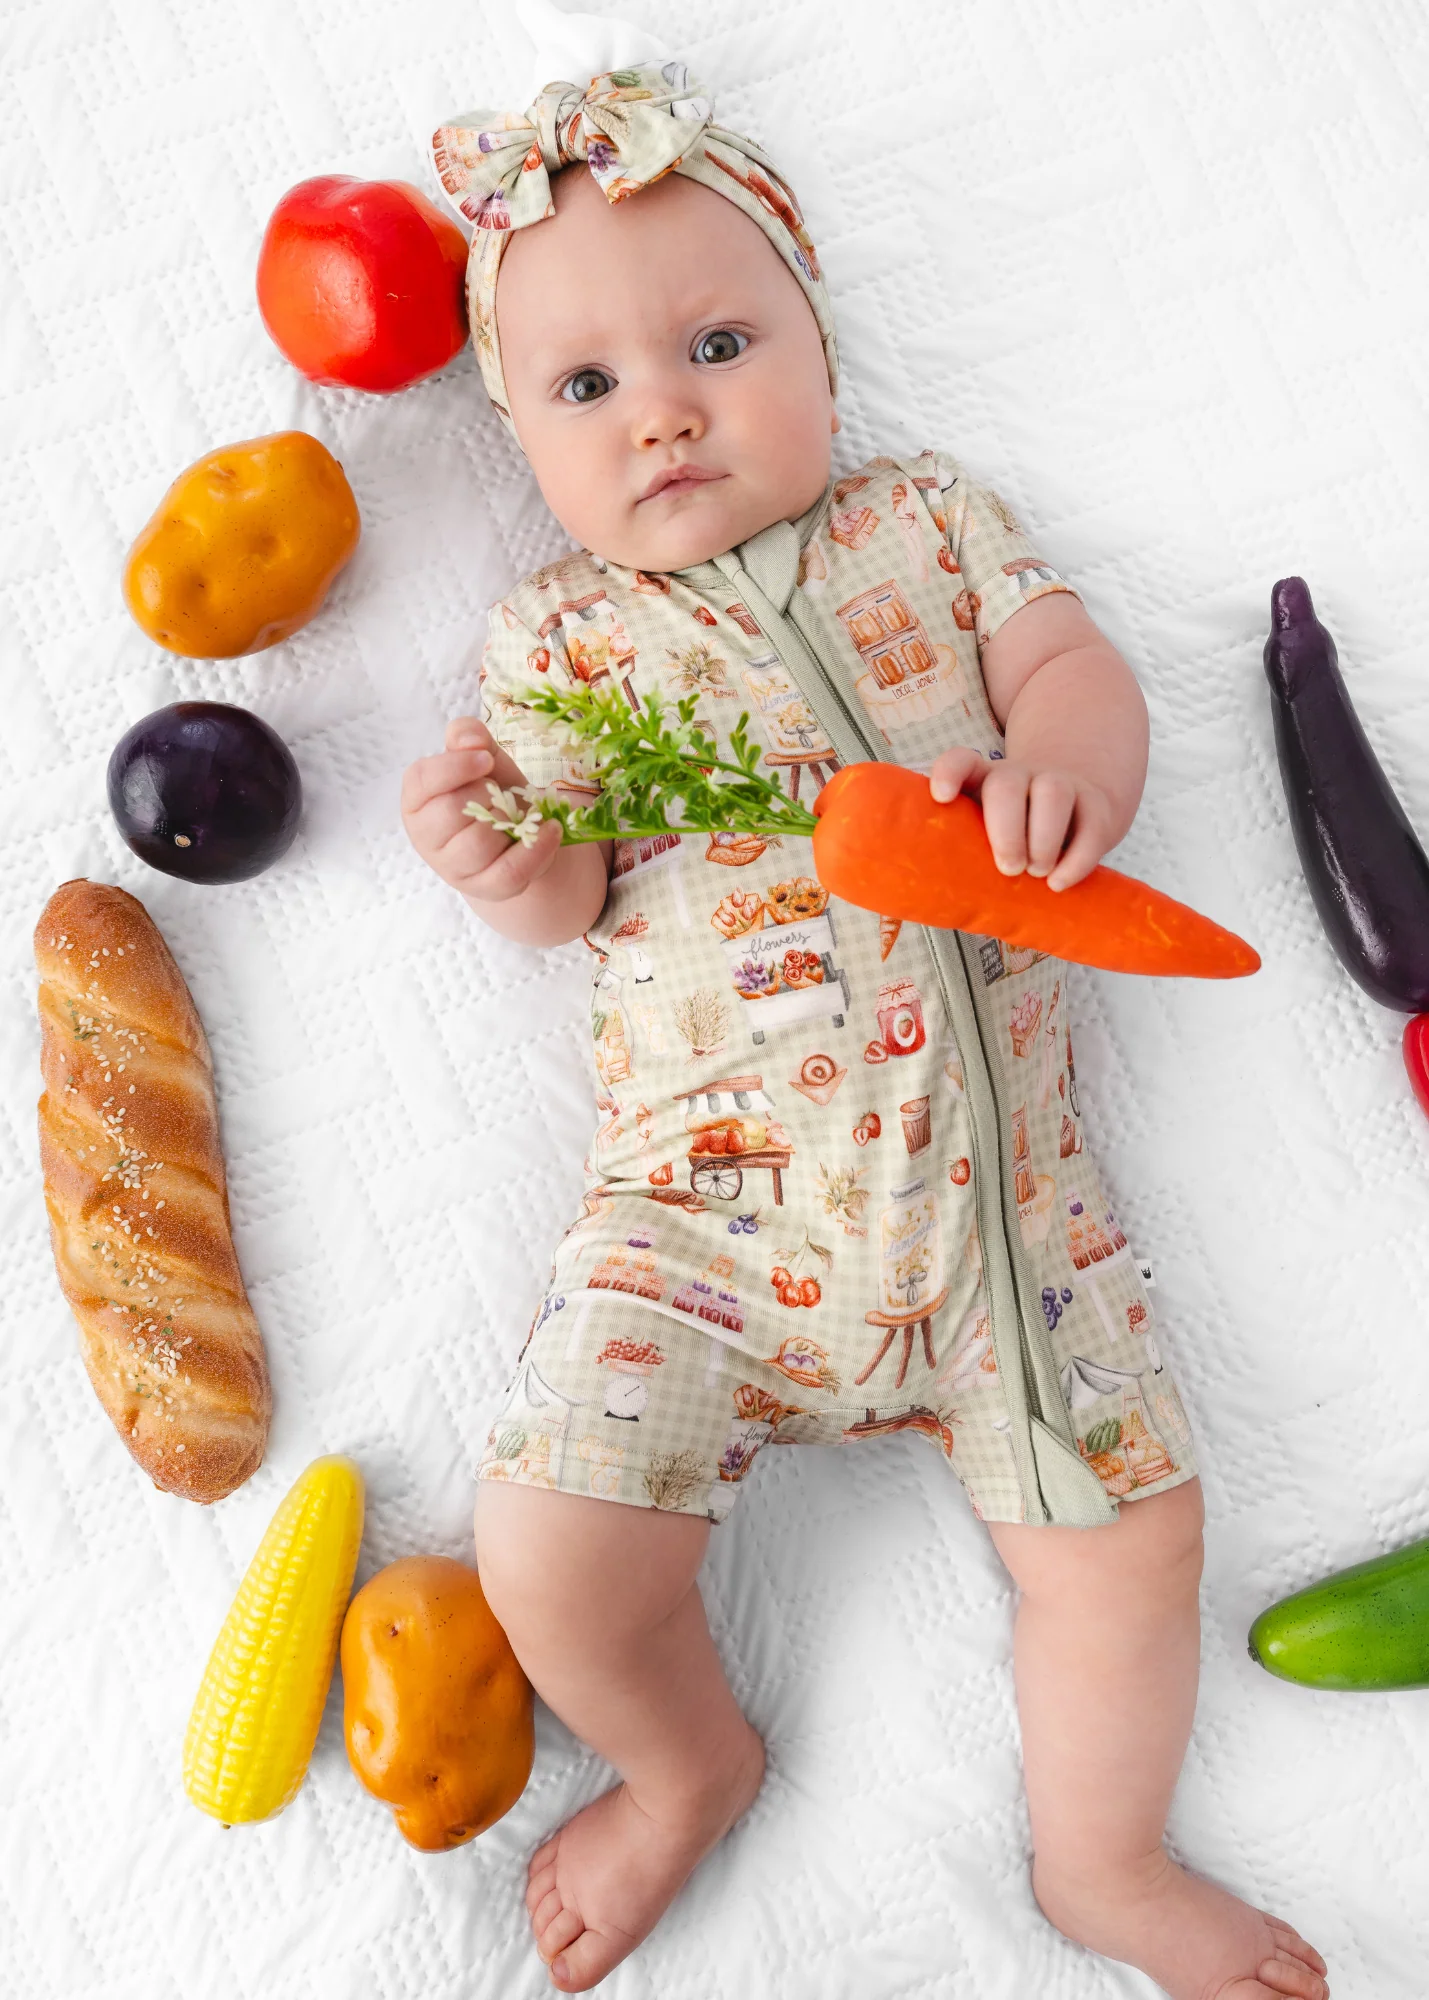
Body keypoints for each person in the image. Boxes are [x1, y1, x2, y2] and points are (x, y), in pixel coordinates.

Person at [400, 61, 1329, 2000]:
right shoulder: (562, 648)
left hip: (1008, 1221)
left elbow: (1070, 660)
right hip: (706, 1234)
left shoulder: (929, 518)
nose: (662, 406)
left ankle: (1103, 1858)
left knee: (1132, 1548)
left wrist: (1074, 760)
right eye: (584, 390)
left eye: (719, 341)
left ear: (819, 339)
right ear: (522, 439)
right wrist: (499, 858)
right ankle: (685, 1763)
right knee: (543, 1537)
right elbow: (565, 891)